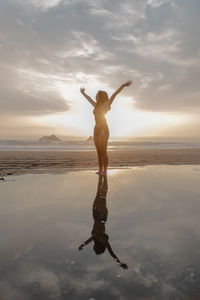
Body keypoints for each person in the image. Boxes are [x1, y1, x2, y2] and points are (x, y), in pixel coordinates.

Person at [80, 80, 132, 176]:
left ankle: (105, 171)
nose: (95, 96)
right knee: (98, 151)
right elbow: (89, 98)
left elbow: (114, 94)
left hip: (103, 129)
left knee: (103, 151)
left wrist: (123, 85)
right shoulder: (96, 105)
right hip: (96, 129)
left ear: (100, 96)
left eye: (97, 94)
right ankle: (100, 170)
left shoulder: (106, 104)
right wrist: (83, 93)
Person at [78, 174, 128, 269]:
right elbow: (112, 253)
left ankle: (101, 176)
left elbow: (87, 241)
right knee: (103, 195)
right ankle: (104, 176)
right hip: (101, 216)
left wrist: (82, 245)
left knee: (98, 193)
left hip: (95, 215)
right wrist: (120, 263)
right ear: (98, 247)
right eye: (95, 248)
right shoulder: (104, 241)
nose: (93, 246)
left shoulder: (95, 238)